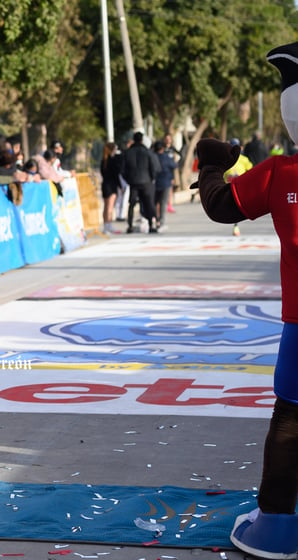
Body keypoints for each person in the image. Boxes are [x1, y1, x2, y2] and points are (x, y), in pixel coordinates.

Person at [192, 40, 298, 559]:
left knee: (291, 421)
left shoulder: (280, 174)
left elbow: (219, 205)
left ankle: (278, 523)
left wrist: (212, 162)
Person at [122, 131, 160, 233]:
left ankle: (130, 225)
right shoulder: (147, 152)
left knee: (132, 204)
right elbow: (154, 167)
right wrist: (152, 178)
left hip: (134, 182)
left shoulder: (128, 153)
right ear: (142, 140)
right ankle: (152, 225)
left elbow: (123, 170)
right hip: (146, 181)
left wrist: (129, 180)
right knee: (149, 203)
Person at [223, 138, 253, 237]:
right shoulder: (224, 160)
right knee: (232, 206)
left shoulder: (244, 159)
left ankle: (236, 225)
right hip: (228, 187)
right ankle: (235, 225)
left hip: (241, 188)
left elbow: (251, 171)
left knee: (237, 207)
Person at [100, 141, 123, 234]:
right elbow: (116, 175)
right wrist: (120, 186)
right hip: (112, 185)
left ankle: (106, 224)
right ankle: (107, 225)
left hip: (105, 184)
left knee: (106, 206)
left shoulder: (103, 161)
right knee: (110, 207)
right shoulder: (112, 161)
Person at [154, 141, 177, 231]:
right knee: (163, 203)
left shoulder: (152, 157)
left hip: (155, 183)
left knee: (155, 203)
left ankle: (156, 221)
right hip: (166, 183)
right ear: (162, 149)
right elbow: (174, 165)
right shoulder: (166, 157)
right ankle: (162, 222)